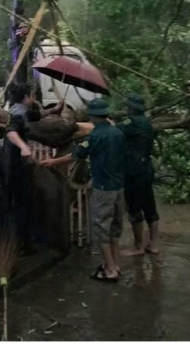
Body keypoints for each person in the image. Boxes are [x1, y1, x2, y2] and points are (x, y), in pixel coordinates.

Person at [41, 98, 126, 282]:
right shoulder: (118, 133)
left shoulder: (95, 136)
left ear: (93, 116)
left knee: (101, 227)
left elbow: (77, 154)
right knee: (114, 227)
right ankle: (115, 264)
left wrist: (54, 161)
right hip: (119, 186)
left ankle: (110, 270)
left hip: (103, 187)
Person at [0, 82, 38, 253]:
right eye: (31, 95)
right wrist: (23, 147)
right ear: (26, 97)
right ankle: (22, 244)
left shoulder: (17, 109)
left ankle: (3, 239)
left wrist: (53, 110)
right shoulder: (18, 114)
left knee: (6, 200)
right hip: (13, 165)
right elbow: (11, 132)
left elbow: (34, 115)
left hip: (5, 162)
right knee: (21, 203)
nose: (33, 98)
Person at [119, 93, 160, 256]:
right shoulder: (147, 123)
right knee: (149, 206)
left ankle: (138, 246)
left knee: (134, 208)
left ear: (131, 108)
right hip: (146, 168)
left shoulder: (131, 122)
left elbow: (116, 129)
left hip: (133, 171)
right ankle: (153, 244)